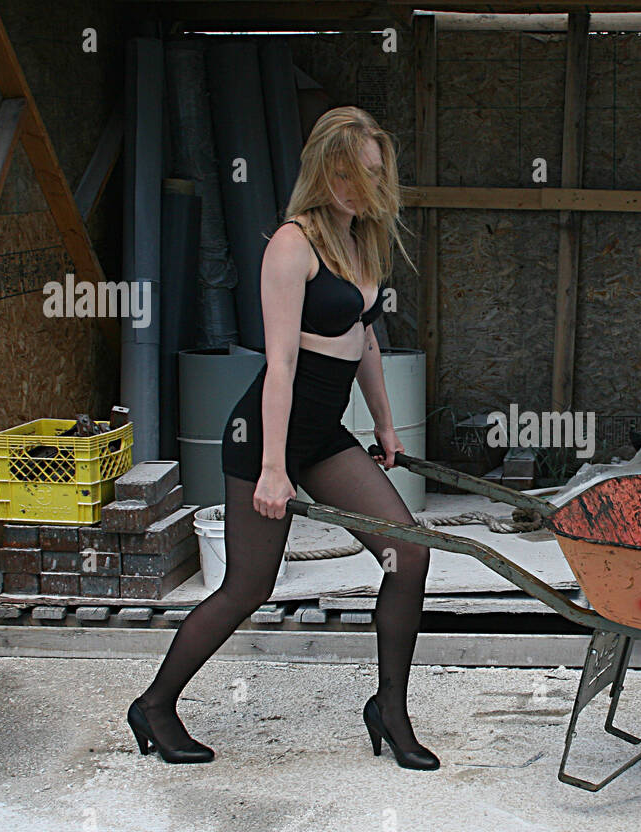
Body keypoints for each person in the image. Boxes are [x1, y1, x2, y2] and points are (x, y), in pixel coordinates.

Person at [127, 106, 438, 770]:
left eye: (374, 173)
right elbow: (282, 365)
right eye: (351, 171)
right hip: (265, 432)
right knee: (248, 587)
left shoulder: (363, 242)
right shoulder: (292, 245)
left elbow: (366, 344)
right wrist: (274, 468)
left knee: (407, 554)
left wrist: (383, 424)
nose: (362, 185)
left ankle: (390, 708)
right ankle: (155, 705)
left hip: (323, 433)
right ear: (324, 168)